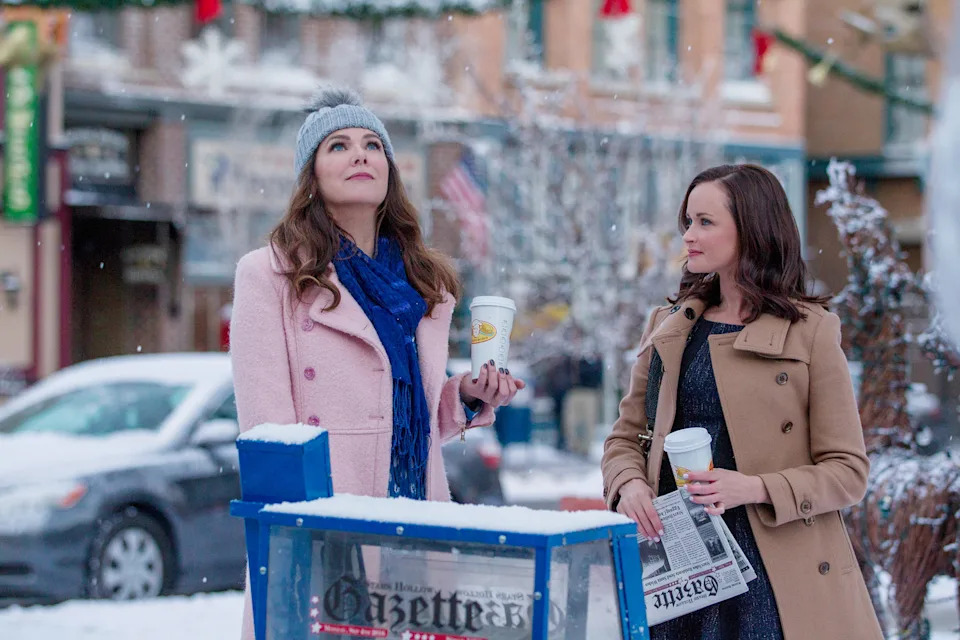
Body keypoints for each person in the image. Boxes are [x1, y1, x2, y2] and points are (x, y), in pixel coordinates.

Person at [230, 87, 524, 639]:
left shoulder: (420, 281)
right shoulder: (269, 274)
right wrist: (306, 540)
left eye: (372, 145)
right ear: (311, 176)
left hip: (417, 517)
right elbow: (268, 432)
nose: (360, 154)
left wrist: (464, 396)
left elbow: (398, 411)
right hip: (323, 523)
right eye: (337, 145)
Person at [601, 164, 882, 639]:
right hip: (679, 568)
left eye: (706, 222)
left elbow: (848, 472)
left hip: (776, 574)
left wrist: (753, 488)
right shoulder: (669, 326)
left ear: (752, 230)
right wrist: (629, 486)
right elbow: (626, 438)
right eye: (688, 221)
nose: (689, 235)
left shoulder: (811, 331)